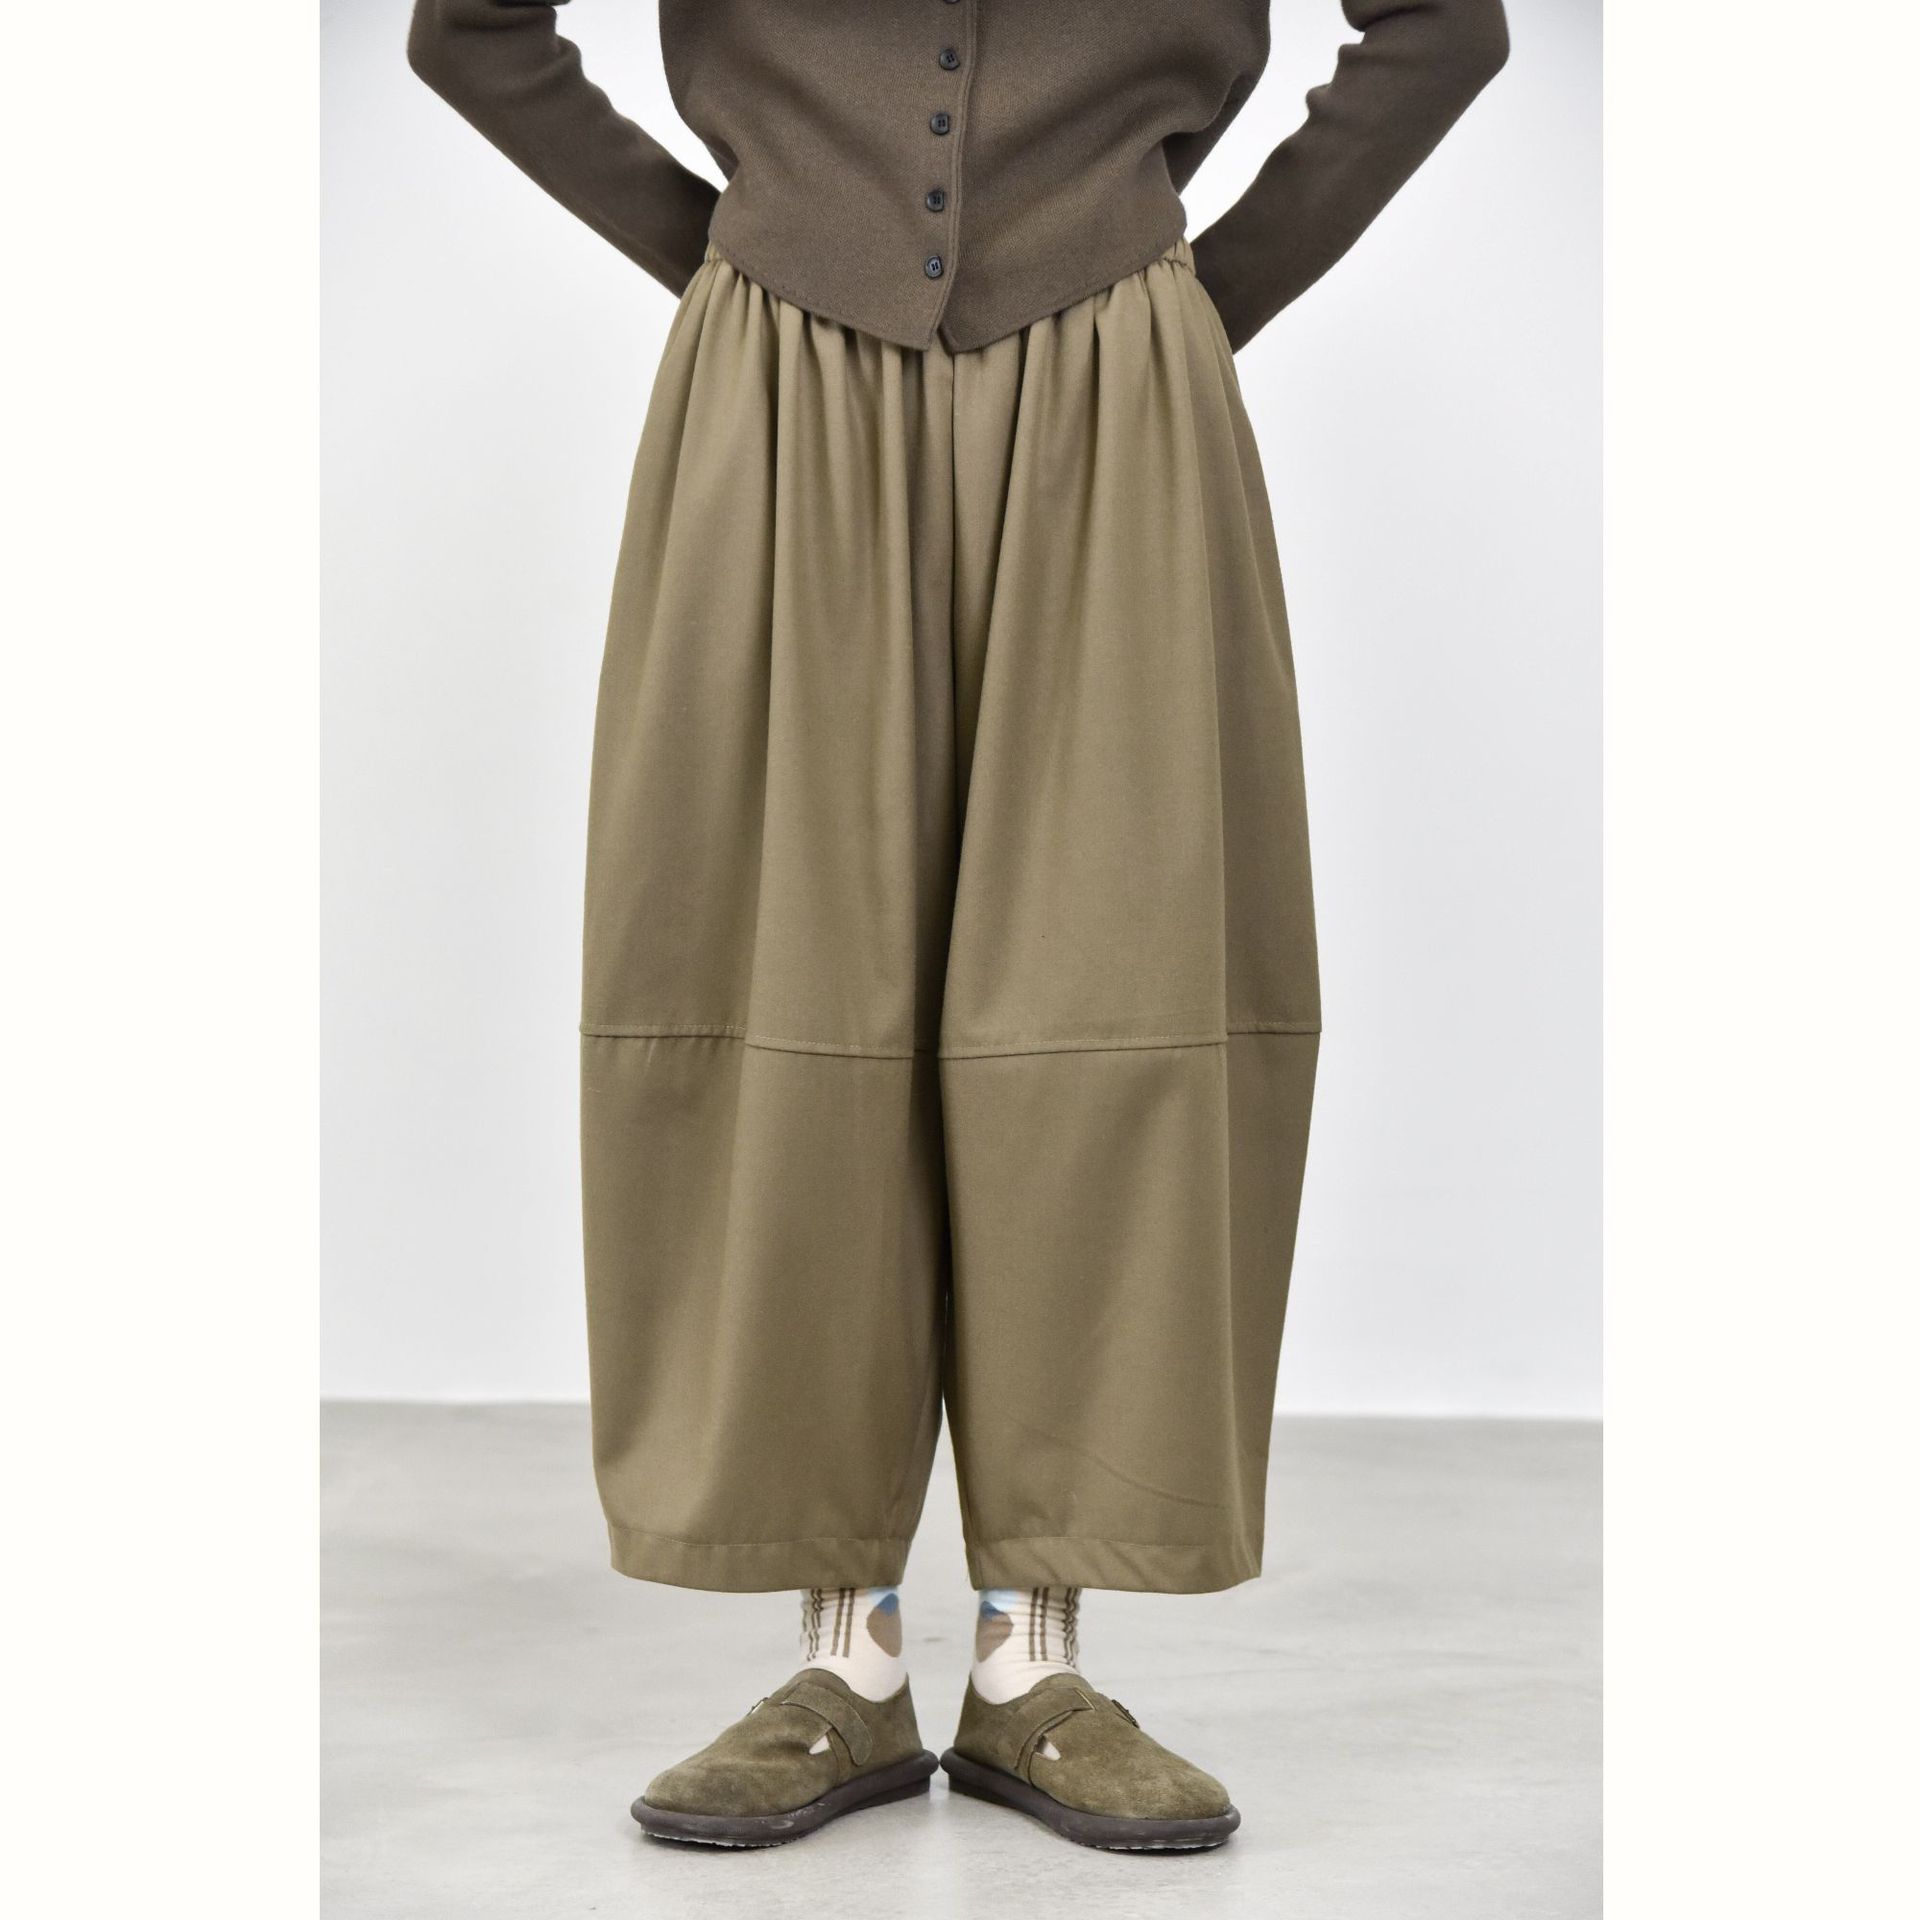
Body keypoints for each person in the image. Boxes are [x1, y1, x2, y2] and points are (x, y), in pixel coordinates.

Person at [407, 0, 1506, 1853]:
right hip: (778, 379)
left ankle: (1030, 1662)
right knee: (781, 988)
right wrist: (727, 249)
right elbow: (471, 31)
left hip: (1120, 385)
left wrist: (1198, 297)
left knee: (1105, 993)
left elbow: (1444, 25)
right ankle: (841, 1662)